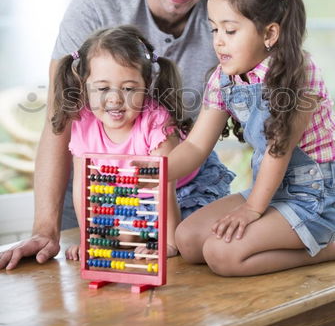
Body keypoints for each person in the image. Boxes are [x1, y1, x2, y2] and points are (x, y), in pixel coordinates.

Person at [0, 0, 231, 270]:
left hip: (182, 192)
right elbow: (60, 122)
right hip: (96, 198)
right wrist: (46, 229)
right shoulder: (96, 6)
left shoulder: (227, 21)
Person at [166, 0, 335, 276]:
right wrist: (154, 170)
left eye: (230, 31)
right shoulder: (224, 77)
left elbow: (277, 151)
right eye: (214, 29)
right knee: (188, 241)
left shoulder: (299, 74)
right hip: (268, 187)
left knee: (222, 255)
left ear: (269, 33)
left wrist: (252, 209)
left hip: (315, 194)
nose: (218, 41)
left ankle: (329, 245)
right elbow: (195, 145)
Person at [52, 25, 233, 259]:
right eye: (103, 88)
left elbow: (163, 186)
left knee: (191, 237)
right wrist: (90, 239)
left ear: (146, 85)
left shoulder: (157, 123)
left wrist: (168, 243)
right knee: (119, 237)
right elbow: (82, 188)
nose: (115, 99)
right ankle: (143, 234)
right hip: (132, 197)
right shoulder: (82, 122)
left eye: (128, 88)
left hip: (182, 191)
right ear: (84, 84)